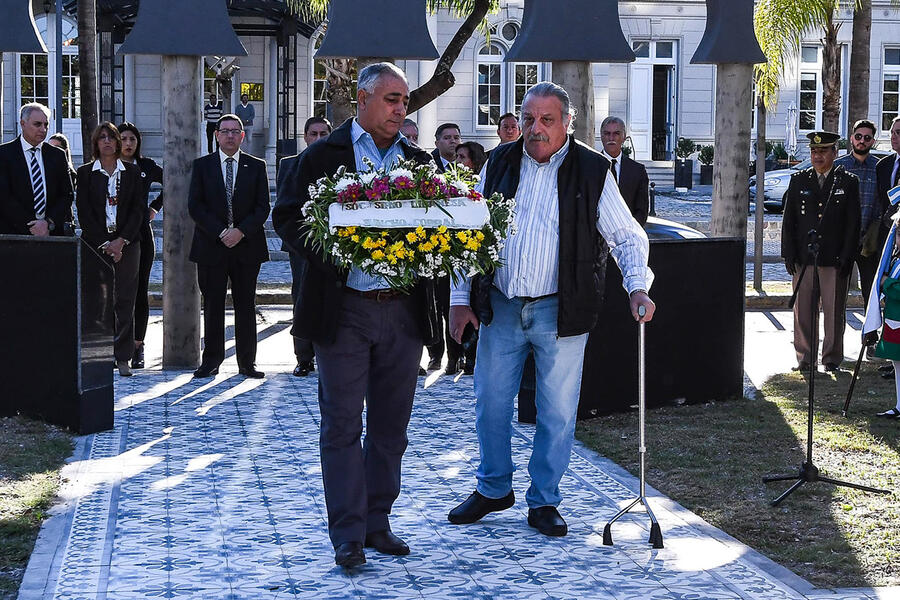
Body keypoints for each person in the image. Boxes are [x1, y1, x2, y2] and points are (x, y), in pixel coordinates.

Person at [446, 82, 655, 537]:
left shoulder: (593, 169)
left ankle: (543, 501)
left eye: (546, 120)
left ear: (566, 123)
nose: (535, 129)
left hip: (562, 309)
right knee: (489, 403)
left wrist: (637, 287)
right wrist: (461, 300)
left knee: (557, 412)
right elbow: (468, 232)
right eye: (528, 118)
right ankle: (494, 487)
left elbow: (627, 236)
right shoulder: (499, 162)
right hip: (501, 304)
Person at [272, 62, 440, 569]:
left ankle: (377, 522)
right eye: (391, 99)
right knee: (342, 425)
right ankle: (346, 533)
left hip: (403, 311)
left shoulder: (419, 160)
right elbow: (286, 219)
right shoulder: (321, 157)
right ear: (362, 100)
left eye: (404, 101)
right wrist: (337, 248)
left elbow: (445, 222)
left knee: (392, 428)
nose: (400, 109)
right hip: (343, 310)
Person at [188, 114, 270, 379]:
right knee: (212, 304)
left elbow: (262, 207)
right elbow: (195, 206)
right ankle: (211, 360)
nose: (230, 136)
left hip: (247, 246)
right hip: (212, 245)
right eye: (225, 131)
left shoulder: (256, 166)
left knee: (245, 305)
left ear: (243, 136)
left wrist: (241, 232)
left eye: (236, 131)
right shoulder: (202, 166)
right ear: (216, 135)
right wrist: (222, 232)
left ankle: (248, 362)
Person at [781, 131, 860, 373]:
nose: (817, 155)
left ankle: (831, 359)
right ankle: (805, 359)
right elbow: (789, 220)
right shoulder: (799, 180)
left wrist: (847, 257)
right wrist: (789, 254)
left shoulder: (846, 181)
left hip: (833, 258)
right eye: (814, 151)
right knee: (803, 310)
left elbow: (853, 224)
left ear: (835, 153)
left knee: (833, 312)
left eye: (823, 151)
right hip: (805, 259)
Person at [75, 122, 144, 377]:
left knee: (125, 299)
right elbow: (84, 211)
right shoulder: (85, 173)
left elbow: (138, 210)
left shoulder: (132, 173)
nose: (107, 142)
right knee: (97, 301)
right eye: (101, 138)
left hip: (127, 243)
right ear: (96, 143)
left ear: (117, 142)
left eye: (111, 138)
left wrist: (121, 241)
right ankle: (98, 356)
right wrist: (105, 242)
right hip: (97, 243)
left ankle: (123, 357)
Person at [278, 116, 332, 377]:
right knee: (301, 296)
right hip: (301, 244)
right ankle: (303, 357)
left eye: (324, 134)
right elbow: (284, 209)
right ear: (305, 136)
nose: (318, 139)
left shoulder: (339, 165)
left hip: (336, 243)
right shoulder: (290, 165)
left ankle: (328, 353)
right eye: (314, 134)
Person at [118, 122, 164, 370]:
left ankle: (138, 346)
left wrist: (155, 206)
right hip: (114, 235)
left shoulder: (146, 166)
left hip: (142, 235)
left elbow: (171, 181)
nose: (127, 143)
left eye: (132, 139)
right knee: (117, 294)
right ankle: (118, 345)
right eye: (123, 138)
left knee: (139, 291)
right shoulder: (108, 165)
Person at [0, 103, 74, 236]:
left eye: (46, 125)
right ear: (23, 123)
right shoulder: (4, 154)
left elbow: (67, 194)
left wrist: (47, 223)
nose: (43, 129)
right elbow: (4, 196)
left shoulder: (57, 155)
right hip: (14, 234)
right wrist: (31, 225)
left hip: (51, 234)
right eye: (37, 124)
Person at [427, 123, 464, 372]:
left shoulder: (466, 163)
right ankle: (435, 353)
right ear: (437, 141)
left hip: (459, 246)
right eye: (447, 138)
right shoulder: (428, 166)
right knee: (434, 304)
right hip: (431, 243)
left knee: (454, 301)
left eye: (456, 137)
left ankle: (455, 355)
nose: (452, 142)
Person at [836, 120, 882, 304]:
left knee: (871, 294)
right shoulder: (839, 167)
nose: (862, 141)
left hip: (869, 242)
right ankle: (835, 333)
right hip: (842, 241)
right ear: (852, 138)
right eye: (858, 136)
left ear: (873, 141)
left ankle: (870, 333)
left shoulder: (880, 168)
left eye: (867, 137)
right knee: (837, 295)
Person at [862, 212, 900, 419]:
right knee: (897, 363)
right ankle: (899, 404)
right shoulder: (896, 259)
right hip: (895, 319)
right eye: (899, 234)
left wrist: (887, 284)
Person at [599, 116, 650, 226]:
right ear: (601, 136)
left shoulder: (637, 171)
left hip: (628, 234)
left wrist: (629, 232)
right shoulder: (589, 167)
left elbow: (642, 210)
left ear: (624, 137)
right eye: (607, 133)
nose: (611, 138)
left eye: (616, 133)